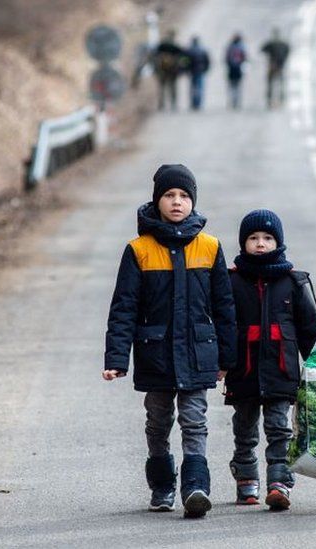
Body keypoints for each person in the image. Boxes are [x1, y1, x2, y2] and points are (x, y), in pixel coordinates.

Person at [104, 164, 237, 518]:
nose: (177, 202)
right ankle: (162, 486)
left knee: (195, 420)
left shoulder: (210, 248)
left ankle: (196, 487)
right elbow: (124, 308)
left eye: (184, 196)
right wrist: (117, 358)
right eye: (169, 195)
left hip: (197, 354)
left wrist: (227, 356)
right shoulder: (139, 250)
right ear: (157, 200)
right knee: (158, 422)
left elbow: (224, 308)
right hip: (156, 355)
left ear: (193, 201)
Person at [224, 210, 316, 511]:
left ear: (278, 242)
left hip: (282, 372)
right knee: (244, 428)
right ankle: (246, 478)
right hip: (244, 371)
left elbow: (308, 330)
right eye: (253, 238)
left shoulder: (292, 281)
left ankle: (280, 482)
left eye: (267, 238)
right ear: (243, 244)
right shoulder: (232, 281)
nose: (261, 244)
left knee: (280, 428)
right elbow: (223, 325)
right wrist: (221, 362)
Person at [152, 30, 188, 111]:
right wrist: (183, 68)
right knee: (173, 87)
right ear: (173, 36)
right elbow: (184, 57)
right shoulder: (175, 46)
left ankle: (161, 105)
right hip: (173, 71)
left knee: (161, 88)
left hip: (161, 71)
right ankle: (173, 104)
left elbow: (154, 56)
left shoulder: (161, 45)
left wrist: (155, 69)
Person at [260, 28, 290, 109]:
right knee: (280, 84)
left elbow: (262, 49)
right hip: (280, 67)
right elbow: (288, 50)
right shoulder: (284, 44)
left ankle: (270, 100)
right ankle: (281, 99)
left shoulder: (271, 44)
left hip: (272, 66)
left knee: (270, 84)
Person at [186, 36, 211, 111]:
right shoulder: (202, 50)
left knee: (193, 88)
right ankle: (198, 103)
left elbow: (185, 61)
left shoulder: (189, 50)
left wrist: (186, 70)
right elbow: (207, 61)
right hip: (200, 71)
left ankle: (193, 103)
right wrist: (206, 69)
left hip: (192, 72)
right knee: (199, 88)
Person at [224, 34, 248, 110]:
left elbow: (226, 59)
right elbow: (245, 58)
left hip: (231, 69)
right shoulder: (242, 47)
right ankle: (237, 102)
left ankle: (232, 101)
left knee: (231, 87)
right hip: (238, 69)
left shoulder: (230, 47)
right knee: (238, 87)